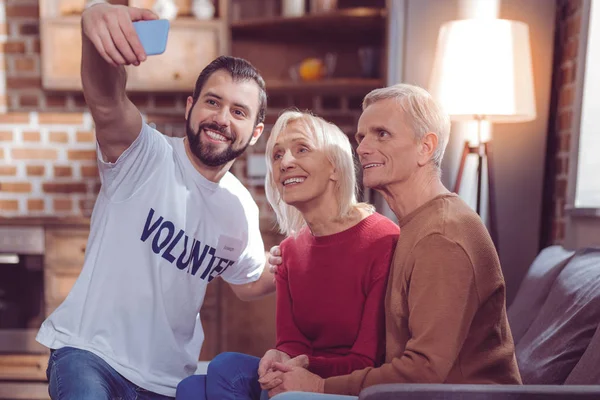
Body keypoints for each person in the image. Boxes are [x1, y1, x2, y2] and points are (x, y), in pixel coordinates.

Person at [36, 3, 277, 399]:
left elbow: (248, 281)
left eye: (238, 111)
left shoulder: (239, 209)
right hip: (88, 353)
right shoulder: (145, 154)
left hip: (164, 382)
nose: (221, 118)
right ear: (191, 107)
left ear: (254, 133)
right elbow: (107, 102)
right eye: (212, 102)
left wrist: (309, 256)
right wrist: (93, 20)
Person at [265, 84, 522, 399]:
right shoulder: (415, 226)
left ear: (425, 147)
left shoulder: (443, 235)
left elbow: (424, 371)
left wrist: (319, 386)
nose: (362, 148)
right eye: (361, 137)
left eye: (382, 134)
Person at [175, 110, 400, 400]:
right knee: (192, 388)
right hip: (298, 380)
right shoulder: (290, 251)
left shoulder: (382, 239)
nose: (286, 162)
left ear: (335, 166)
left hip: (346, 387)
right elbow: (291, 344)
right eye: (278, 155)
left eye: (302, 149)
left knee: (222, 370)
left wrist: (302, 367)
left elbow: (368, 359)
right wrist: (279, 356)